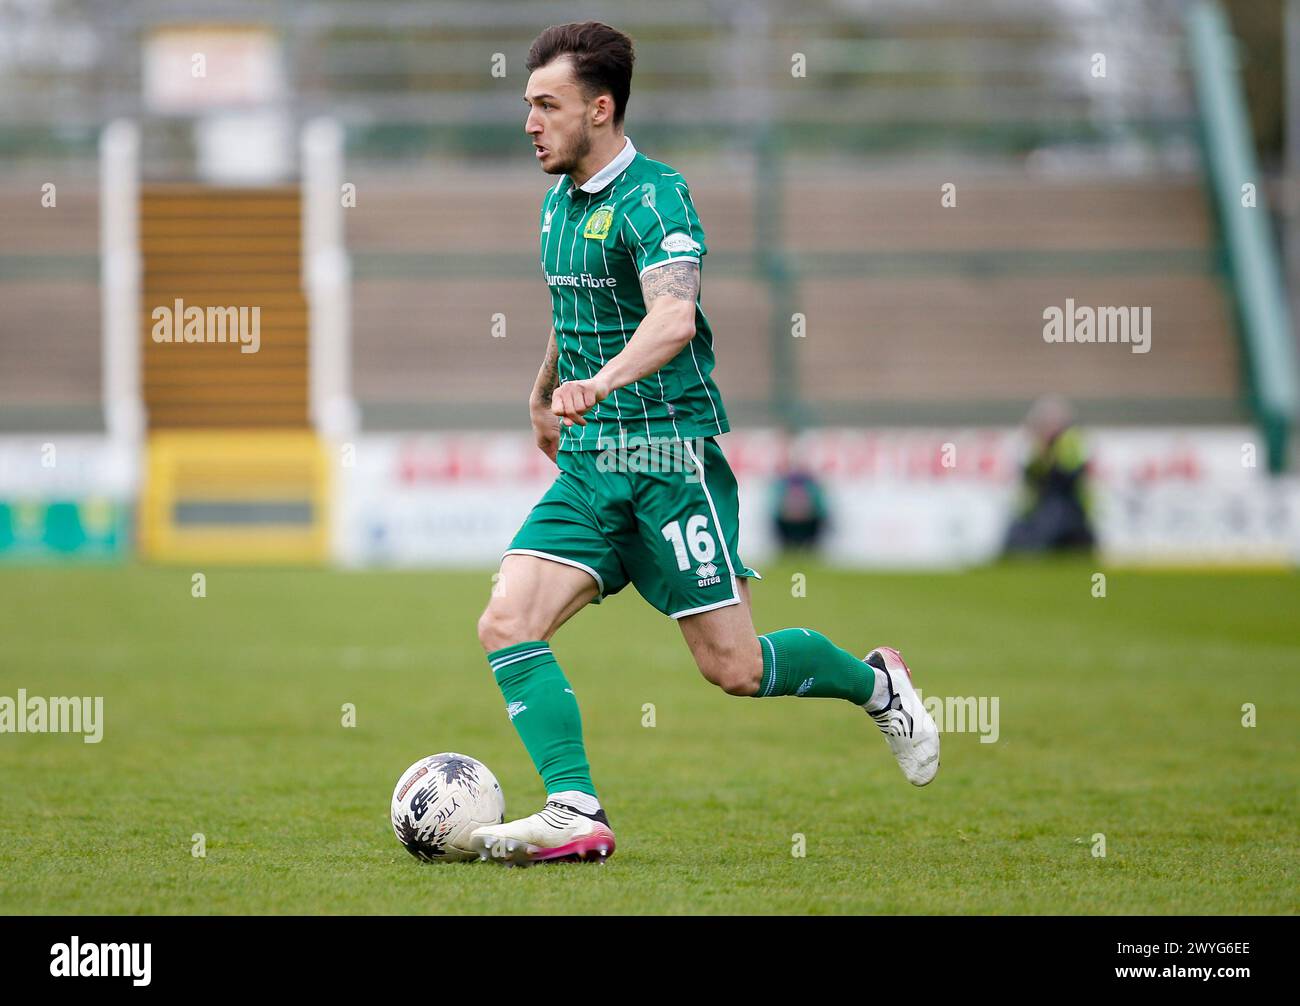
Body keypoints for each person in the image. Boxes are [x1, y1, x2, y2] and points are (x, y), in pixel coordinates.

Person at [469, 22, 939, 865]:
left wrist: (601, 382)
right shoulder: (556, 205)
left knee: (735, 668)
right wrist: (543, 393)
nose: (531, 122)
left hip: (664, 461)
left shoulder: (657, 197)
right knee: (507, 621)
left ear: (601, 108)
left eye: (548, 104)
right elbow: (572, 310)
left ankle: (878, 683)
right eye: (527, 105)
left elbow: (674, 317)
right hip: (589, 467)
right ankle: (574, 808)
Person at [1003, 395, 1096, 554]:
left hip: (1068, 507)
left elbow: (1066, 478)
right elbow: (1030, 476)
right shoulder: (1035, 445)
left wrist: (1048, 456)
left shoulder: (1070, 441)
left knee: (1052, 517)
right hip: (1042, 507)